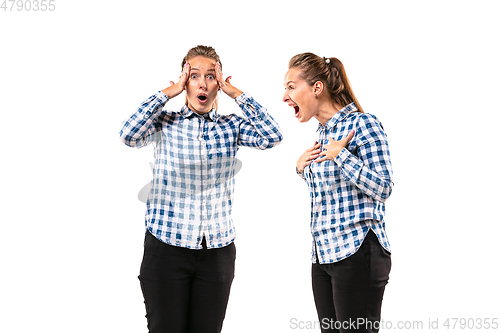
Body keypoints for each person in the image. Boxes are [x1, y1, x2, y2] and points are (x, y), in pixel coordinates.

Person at [119, 45, 283, 333]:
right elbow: (128, 135)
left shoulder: (231, 127)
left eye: (210, 76)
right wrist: (165, 95)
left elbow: (273, 136)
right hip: (166, 249)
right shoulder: (165, 121)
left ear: (218, 82)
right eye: (194, 76)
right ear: (185, 81)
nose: (203, 83)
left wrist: (237, 94)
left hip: (217, 253)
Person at [282, 53, 394, 333]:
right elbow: (334, 193)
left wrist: (342, 155)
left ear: (317, 88)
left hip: (357, 252)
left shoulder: (364, 124)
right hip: (323, 256)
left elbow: (384, 187)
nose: (285, 97)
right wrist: (301, 169)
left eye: (291, 87)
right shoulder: (323, 133)